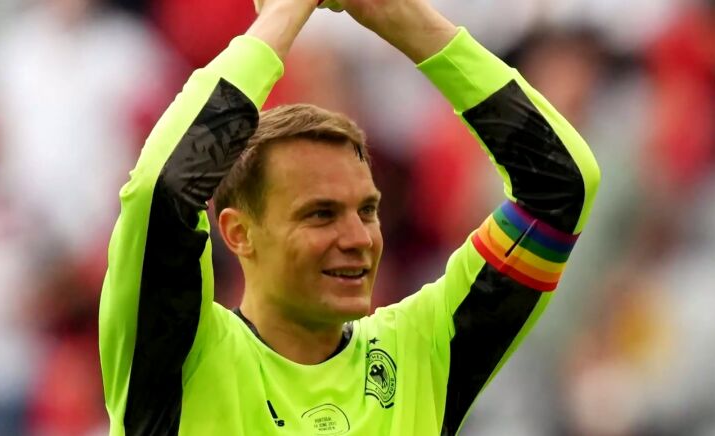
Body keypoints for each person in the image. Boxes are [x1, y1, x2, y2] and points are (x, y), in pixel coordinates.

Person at [98, 0, 600, 434]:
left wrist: (397, 16)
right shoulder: (181, 361)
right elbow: (161, 189)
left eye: (368, 210)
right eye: (321, 214)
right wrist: (281, 16)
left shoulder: (422, 352)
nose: (358, 237)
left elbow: (562, 185)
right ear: (238, 232)